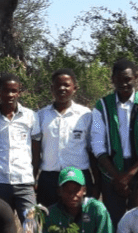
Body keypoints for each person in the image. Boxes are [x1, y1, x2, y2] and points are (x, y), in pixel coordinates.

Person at [91, 58, 138, 227]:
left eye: (128, 79)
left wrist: (128, 176)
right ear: (112, 79)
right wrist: (117, 177)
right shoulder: (102, 106)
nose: (123, 84)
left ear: (136, 78)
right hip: (112, 172)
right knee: (113, 227)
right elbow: (97, 145)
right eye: (119, 79)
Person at [34, 69, 98, 208]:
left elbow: (92, 150)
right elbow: (35, 150)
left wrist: (95, 182)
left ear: (75, 88)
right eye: (58, 85)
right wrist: (34, 178)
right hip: (49, 178)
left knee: (80, 222)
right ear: (52, 88)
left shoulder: (86, 115)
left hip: (78, 177)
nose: (62, 89)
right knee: (48, 220)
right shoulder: (41, 115)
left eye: (66, 85)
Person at [0, 73, 40, 223]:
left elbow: (36, 151)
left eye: (13, 90)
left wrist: (34, 177)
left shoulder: (31, 116)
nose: (10, 94)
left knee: (31, 227)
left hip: (24, 180)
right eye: (5, 90)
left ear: (19, 92)